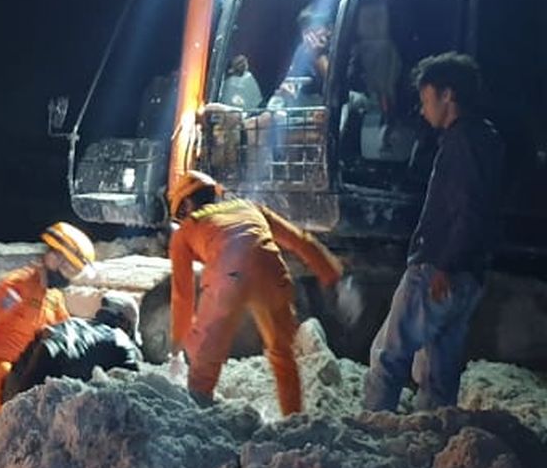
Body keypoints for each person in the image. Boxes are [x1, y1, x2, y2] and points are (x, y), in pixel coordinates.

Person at [363, 53, 504, 412]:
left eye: (427, 99)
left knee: (388, 356)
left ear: (448, 95)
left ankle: (370, 428)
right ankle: (432, 440)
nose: (423, 111)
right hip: (470, 274)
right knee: (439, 370)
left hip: (439, 270)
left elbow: (466, 208)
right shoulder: (487, 138)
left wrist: (443, 263)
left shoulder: (461, 143)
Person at [168, 171, 350, 416]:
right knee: (282, 354)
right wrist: (330, 274)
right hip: (272, 275)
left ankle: (198, 416)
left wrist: (179, 340)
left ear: (187, 204)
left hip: (227, 277)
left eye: (180, 213)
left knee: (206, 360)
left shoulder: (187, 230)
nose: (182, 219)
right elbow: (299, 241)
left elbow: (183, 294)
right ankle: (293, 418)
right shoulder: (250, 207)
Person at [0, 221, 96, 419]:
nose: (70, 278)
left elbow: (66, 332)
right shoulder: (17, 287)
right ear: (54, 259)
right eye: (70, 270)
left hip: (21, 380)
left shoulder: (53, 298)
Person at [0, 292, 143, 403]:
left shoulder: (68, 324)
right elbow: (134, 394)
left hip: (15, 389)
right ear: (124, 323)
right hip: (51, 400)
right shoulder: (121, 340)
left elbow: (15, 376)